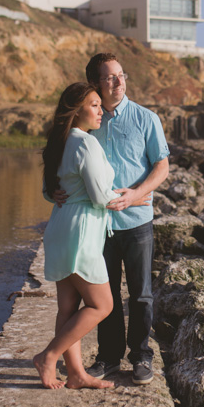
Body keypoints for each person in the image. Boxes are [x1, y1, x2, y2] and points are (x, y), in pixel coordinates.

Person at [57, 53, 169, 386]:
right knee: (101, 297)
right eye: (109, 78)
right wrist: (53, 191)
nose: (118, 82)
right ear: (95, 83)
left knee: (141, 294)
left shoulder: (147, 118)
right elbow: (61, 164)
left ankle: (141, 356)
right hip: (97, 224)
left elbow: (161, 167)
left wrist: (137, 193)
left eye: (121, 75)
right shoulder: (87, 119)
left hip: (137, 220)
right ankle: (108, 357)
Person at [31, 82, 123, 390]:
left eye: (100, 105)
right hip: (81, 231)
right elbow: (99, 196)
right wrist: (129, 197)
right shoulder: (85, 143)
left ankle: (75, 374)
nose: (101, 110)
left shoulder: (60, 141)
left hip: (61, 225)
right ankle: (49, 356)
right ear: (76, 110)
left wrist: (62, 194)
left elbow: (48, 191)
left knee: (68, 308)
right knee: (102, 305)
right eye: (94, 105)